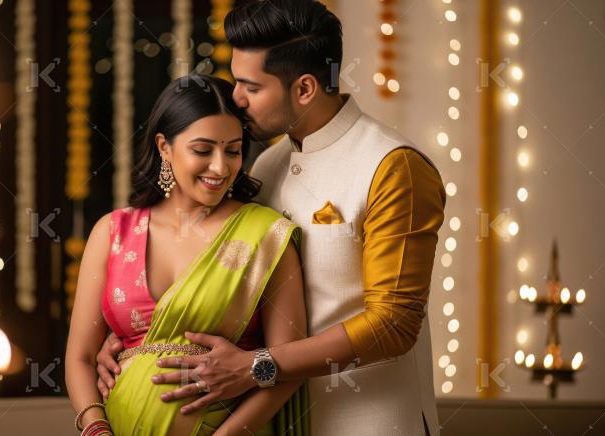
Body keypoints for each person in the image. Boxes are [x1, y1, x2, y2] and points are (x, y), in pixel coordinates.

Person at [96, 1, 446, 435]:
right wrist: (135, 346)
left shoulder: (393, 166)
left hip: (366, 422)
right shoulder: (264, 166)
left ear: (304, 89)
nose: (236, 100)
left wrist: (259, 366)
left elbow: (394, 323)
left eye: (250, 87)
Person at [65, 74, 310, 436]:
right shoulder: (113, 233)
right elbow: (81, 358)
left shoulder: (265, 235)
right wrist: (95, 428)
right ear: (164, 147)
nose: (220, 167)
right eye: (202, 149)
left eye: (232, 150)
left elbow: (288, 366)